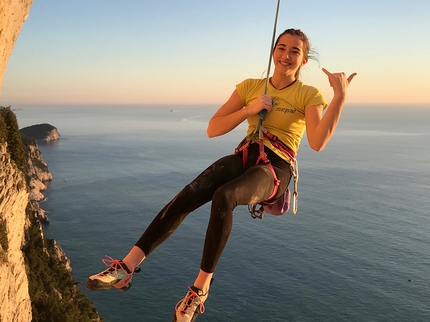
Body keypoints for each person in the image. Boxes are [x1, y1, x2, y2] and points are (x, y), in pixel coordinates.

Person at [86, 28, 356, 322]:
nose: (286, 55)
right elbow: (213, 128)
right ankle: (126, 268)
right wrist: (249, 109)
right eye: (281, 48)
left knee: (224, 196)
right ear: (273, 52)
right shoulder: (251, 87)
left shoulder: (308, 94)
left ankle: (199, 290)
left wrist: (339, 96)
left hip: (275, 169)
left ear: (304, 61)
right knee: (192, 192)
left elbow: (317, 142)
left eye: (295, 51)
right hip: (245, 154)